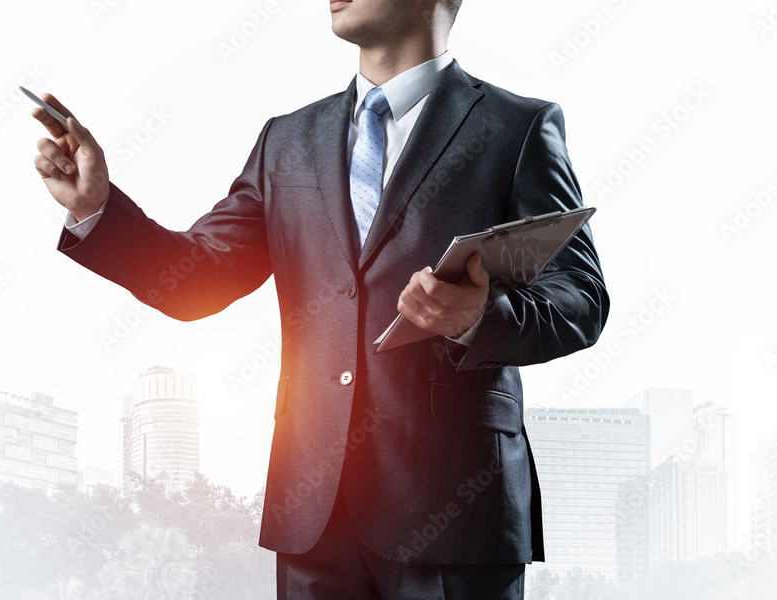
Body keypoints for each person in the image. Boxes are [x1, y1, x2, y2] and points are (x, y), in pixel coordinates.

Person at [30, 0, 609, 598]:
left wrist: (479, 319)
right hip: (312, 510)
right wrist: (96, 208)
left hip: (455, 511)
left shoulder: (516, 128)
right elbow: (198, 281)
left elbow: (581, 297)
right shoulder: (287, 140)